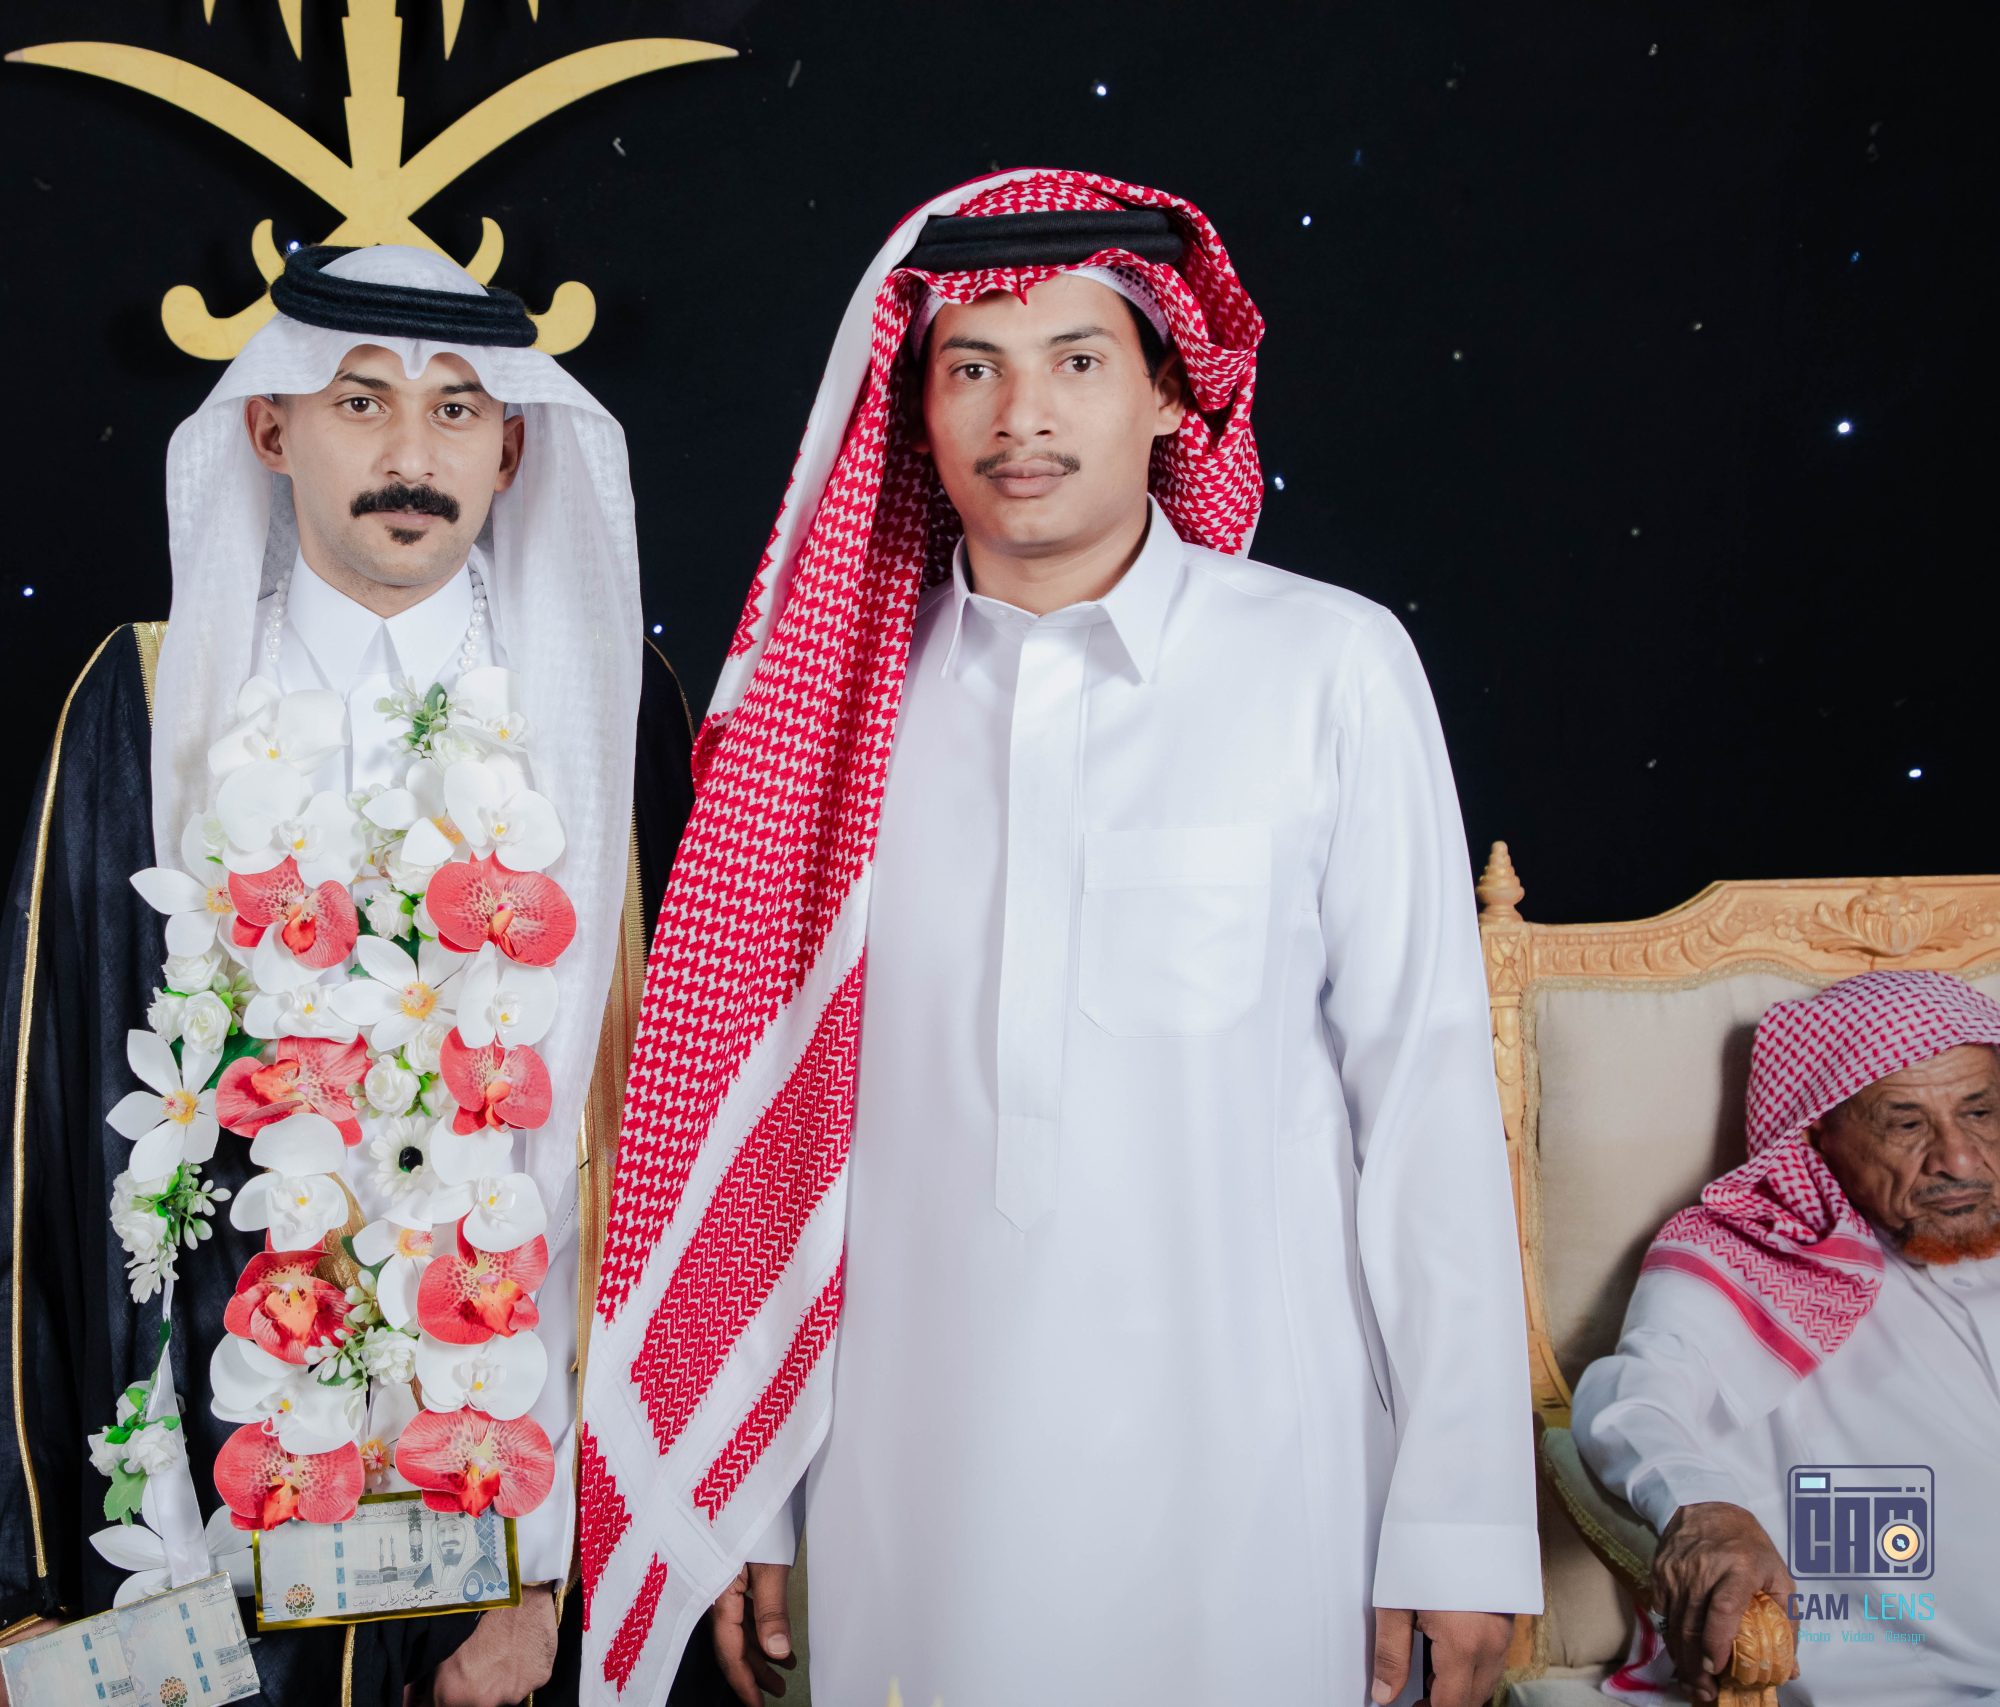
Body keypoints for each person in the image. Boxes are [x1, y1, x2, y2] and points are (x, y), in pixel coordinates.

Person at [577, 170, 1540, 1707]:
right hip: (913, 1478)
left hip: (1258, 1475)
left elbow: (1426, 1103)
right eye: (972, 366)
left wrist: (1464, 1519)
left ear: (1169, 394)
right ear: (916, 409)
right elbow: (770, 1142)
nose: (1021, 414)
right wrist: (753, 1490)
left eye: (1077, 359)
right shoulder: (829, 724)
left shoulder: (1328, 666)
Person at [0, 243, 694, 1707]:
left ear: (512, 450)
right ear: (269, 426)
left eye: (457, 410)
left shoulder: (607, 712)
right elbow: (33, 1128)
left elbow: (670, 1149)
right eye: (360, 401)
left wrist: (562, 1563)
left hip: (516, 1506)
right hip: (212, 1470)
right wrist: (13, 1579)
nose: (411, 456)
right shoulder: (145, 704)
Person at [1575, 970, 2000, 1706]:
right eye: (1906, 1124)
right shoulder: (1744, 1254)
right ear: (1816, 1133)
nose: (1959, 1160)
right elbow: (1632, 1402)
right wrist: (1703, 1508)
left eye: (1982, 1112)